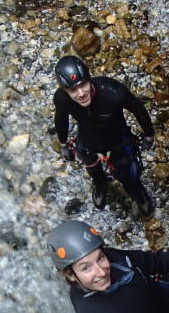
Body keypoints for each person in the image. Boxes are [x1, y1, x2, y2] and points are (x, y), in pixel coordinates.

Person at [52, 56, 156, 217]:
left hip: (118, 142)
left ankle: (139, 194)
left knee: (129, 177)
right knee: (93, 170)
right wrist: (64, 143)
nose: (81, 94)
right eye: (73, 90)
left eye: (83, 85)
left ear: (89, 79)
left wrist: (149, 135)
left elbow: (138, 110)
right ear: (65, 91)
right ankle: (100, 184)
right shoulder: (62, 99)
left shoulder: (112, 92)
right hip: (87, 142)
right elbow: (61, 119)